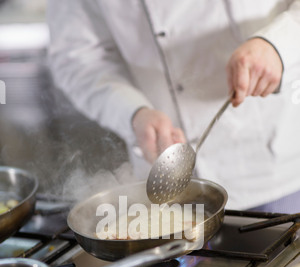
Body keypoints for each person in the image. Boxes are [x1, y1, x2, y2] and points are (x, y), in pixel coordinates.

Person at [46, 0, 300, 212]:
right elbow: (77, 56)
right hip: (166, 177)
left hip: (274, 170)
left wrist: (282, 46)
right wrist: (133, 112)